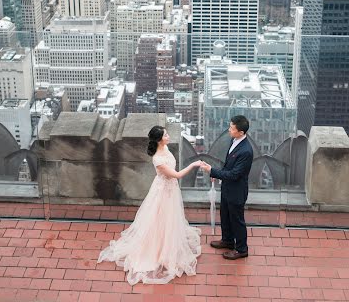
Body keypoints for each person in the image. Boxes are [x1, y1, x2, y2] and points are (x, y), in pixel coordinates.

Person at [97, 125, 202, 285]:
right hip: (163, 192)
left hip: (170, 190)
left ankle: (166, 248)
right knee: (159, 220)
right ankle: (159, 251)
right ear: (159, 139)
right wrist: (194, 164)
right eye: (165, 134)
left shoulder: (165, 147)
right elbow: (177, 175)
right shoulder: (158, 159)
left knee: (169, 219)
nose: (168, 135)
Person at [201, 115, 253, 260]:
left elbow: (235, 174)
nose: (229, 130)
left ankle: (242, 249)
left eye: (232, 128)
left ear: (241, 132)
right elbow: (228, 164)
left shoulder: (246, 151)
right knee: (225, 215)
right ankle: (228, 240)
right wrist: (218, 175)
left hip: (236, 190)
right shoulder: (234, 140)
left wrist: (212, 171)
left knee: (237, 220)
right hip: (227, 188)